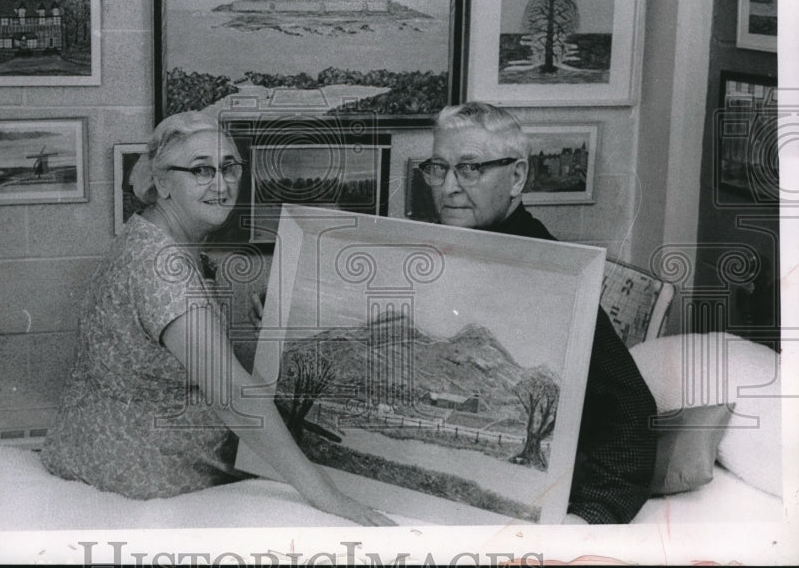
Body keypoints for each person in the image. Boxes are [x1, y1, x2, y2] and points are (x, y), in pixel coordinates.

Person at [40, 111, 392, 526]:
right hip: (144, 472)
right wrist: (329, 499)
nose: (221, 185)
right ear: (163, 182)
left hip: (98, 448)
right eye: (201, 170)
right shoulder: (162, 265)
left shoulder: (149, 235)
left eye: (229, 168)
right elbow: (231, 393)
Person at [418, 102, 657, 524]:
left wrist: (591, 516)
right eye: (439, 168)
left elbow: (631, 409)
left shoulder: (551, 272)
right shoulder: (445, 241)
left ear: (518, 177)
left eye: (470, 168)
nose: (448, 186)